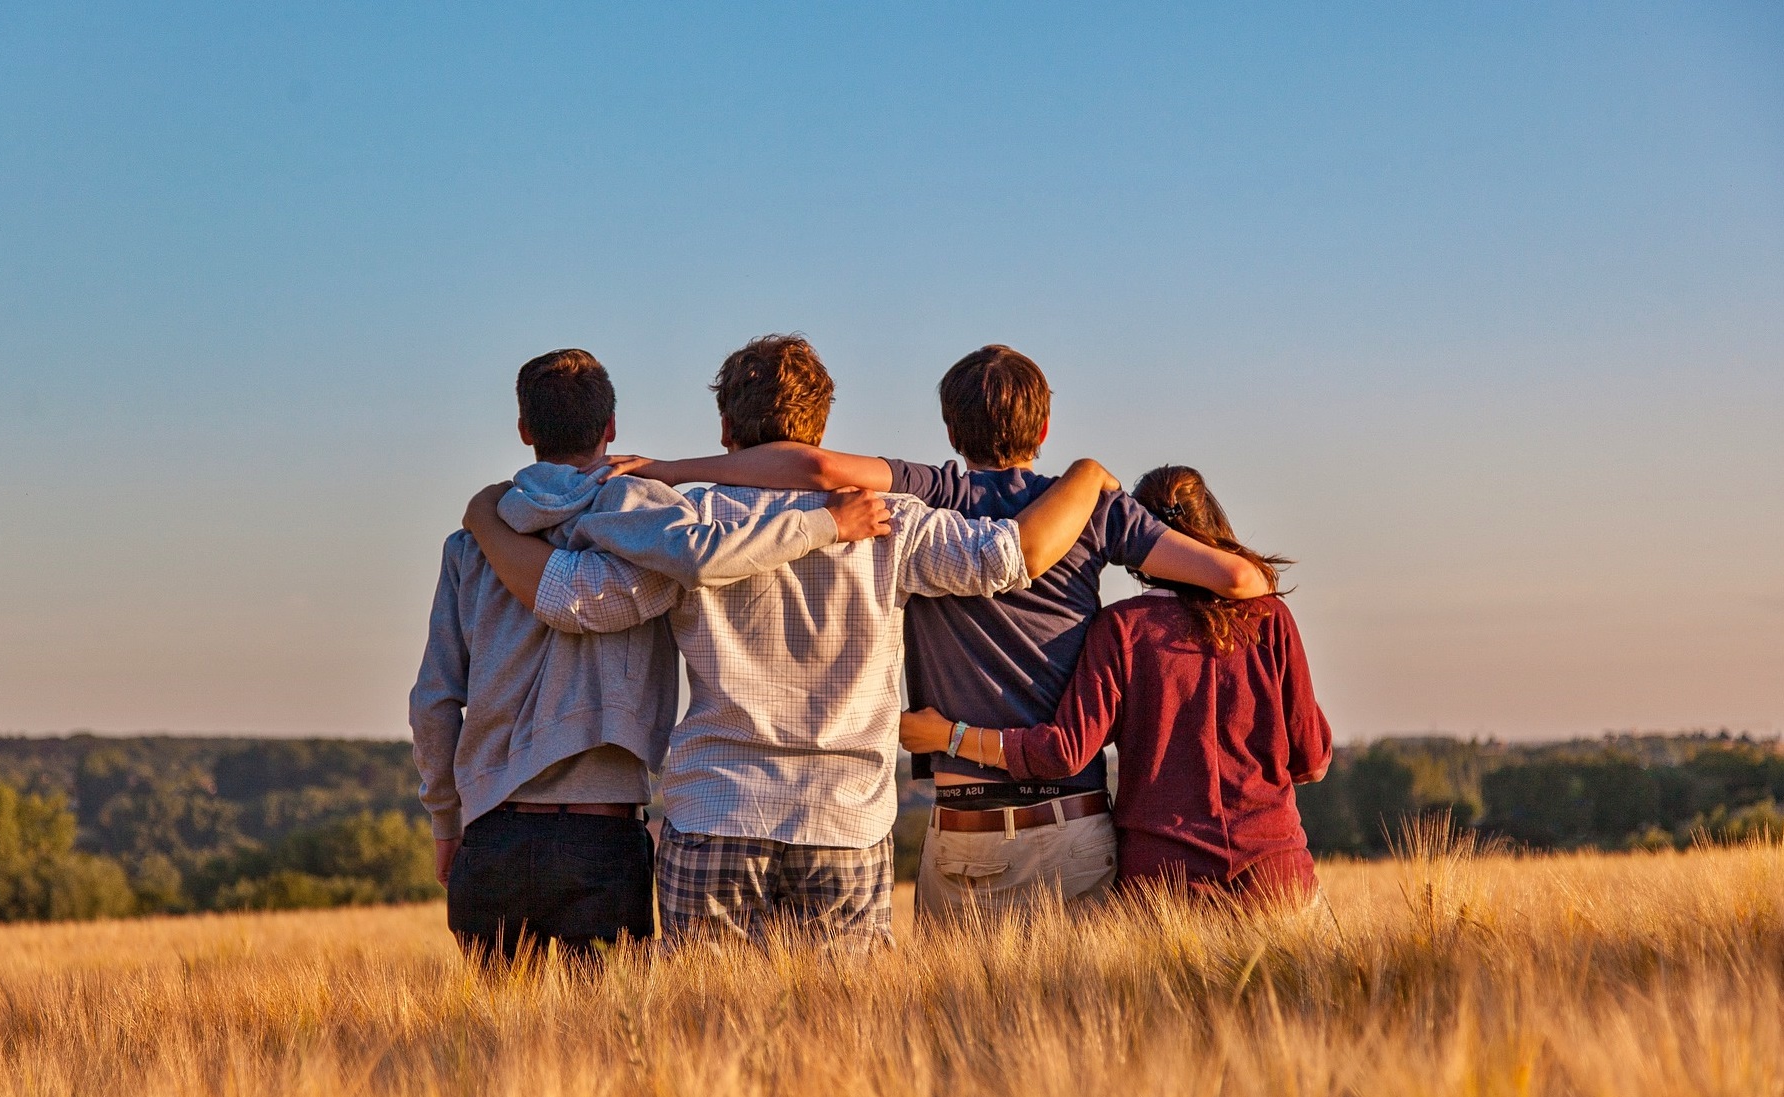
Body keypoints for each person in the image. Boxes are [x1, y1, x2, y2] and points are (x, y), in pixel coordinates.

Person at [462, 335, 1116, 949]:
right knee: (843, 1037)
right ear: (822, 428)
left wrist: (486, 521)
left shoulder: (688, 524)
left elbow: (574, 600)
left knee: (705, 1034)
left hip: (716, 811)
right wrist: (1086, 475)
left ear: (726, 431)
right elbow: (1010, 557)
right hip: (845, 821)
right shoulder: (892, 522)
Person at [593, 346, 1270, 919]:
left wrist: (669, 471)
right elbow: (1236, 581)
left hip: (950, 822)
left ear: (950, 429)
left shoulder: (935, 492)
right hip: (1060, 818)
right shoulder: (1087, 509)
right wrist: (1092, 478)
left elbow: (817, 470)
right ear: (1045, 425)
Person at [410, 347, 891, 965]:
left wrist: (447, 820)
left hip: (492, 831)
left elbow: (434, 700)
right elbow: (706, 557)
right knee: (612, 1044)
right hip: (603, 835)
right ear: (610, 428)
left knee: (497, 1049)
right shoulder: (652, 522)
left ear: (525, 430)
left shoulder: (472, 543)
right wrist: (824, 523)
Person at [899, 465, 1333, 906]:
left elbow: (1063, 752)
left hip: (1164, 887)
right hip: (1276, 876)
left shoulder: (1122, 629)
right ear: (1213, 525)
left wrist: (948, 736)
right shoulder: (1269, 618)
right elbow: (1311, 761)